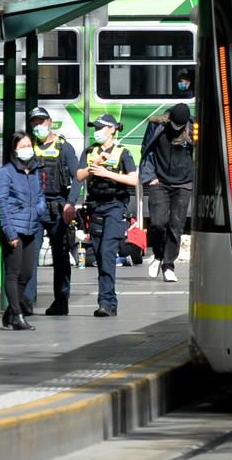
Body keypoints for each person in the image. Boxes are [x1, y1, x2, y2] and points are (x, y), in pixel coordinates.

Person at [76, 114, 138, 317]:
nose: (97, 131)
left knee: (107, 252)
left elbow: (134, 180)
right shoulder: (90, 151)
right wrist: (92, 168)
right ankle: (108, 300)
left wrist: (107, 174)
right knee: (99, 254)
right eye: (95, 127)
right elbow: (78, 176)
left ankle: (107, 302)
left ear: (112, 129)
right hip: (95, 207)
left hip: (114, 207)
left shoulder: (123, 153)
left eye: (101, 127)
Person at [25, 107, 81, 316]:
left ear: (49, 122)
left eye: (41, 121)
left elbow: (77, 177)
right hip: (35, 207)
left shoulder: (64, 147)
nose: (38, 126)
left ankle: (61, 301)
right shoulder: (28, 147)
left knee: (61, 256)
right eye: (35, 123)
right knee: (29, 256)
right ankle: (27, 301)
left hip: (58, 207)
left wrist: (71, 203)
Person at [0, 131, 46, 331]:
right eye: (23, 146)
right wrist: (10, 233)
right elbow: (2, 204)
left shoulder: (34, 171)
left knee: (26, 274)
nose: (27, 150)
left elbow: (41, 194)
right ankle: (17, 315)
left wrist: (39, 209)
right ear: (14, 149)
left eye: (29, 146)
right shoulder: (5, 173)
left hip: (31, 228)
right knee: (13, 273)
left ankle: (10, 313)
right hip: (14, 229)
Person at [141, 103, 195, 283]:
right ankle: (158, 255)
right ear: (169, 118)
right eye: (176, 123)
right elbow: (146, 151)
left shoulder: (193, 129)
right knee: (157, 223)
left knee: (176, 226)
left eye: (182, 124)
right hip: (159, 182)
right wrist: (150, 177)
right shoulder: (156, 126)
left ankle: (168, 265)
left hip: (183, 184)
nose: (178, 127)